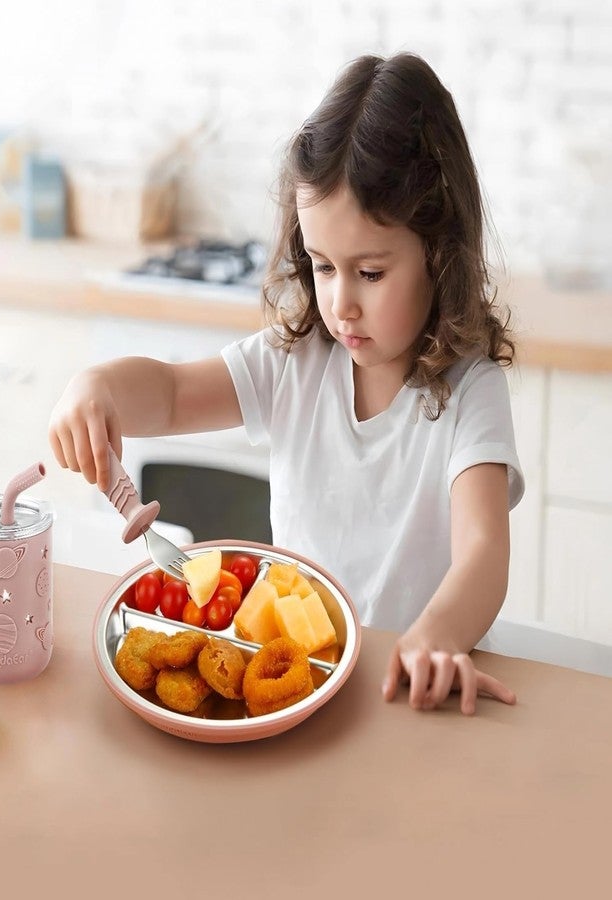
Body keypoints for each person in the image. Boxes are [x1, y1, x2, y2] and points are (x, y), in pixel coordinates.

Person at [49, 52, 524, 716]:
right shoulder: (295, 361)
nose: (341, 303)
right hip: (301, 692)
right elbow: (173, 393)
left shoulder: (471, 391)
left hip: (411, 697)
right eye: (323, 266)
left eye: (371, 272)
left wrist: (434, 640)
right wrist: (96, 385)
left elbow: (483, 551)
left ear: (439, 254)